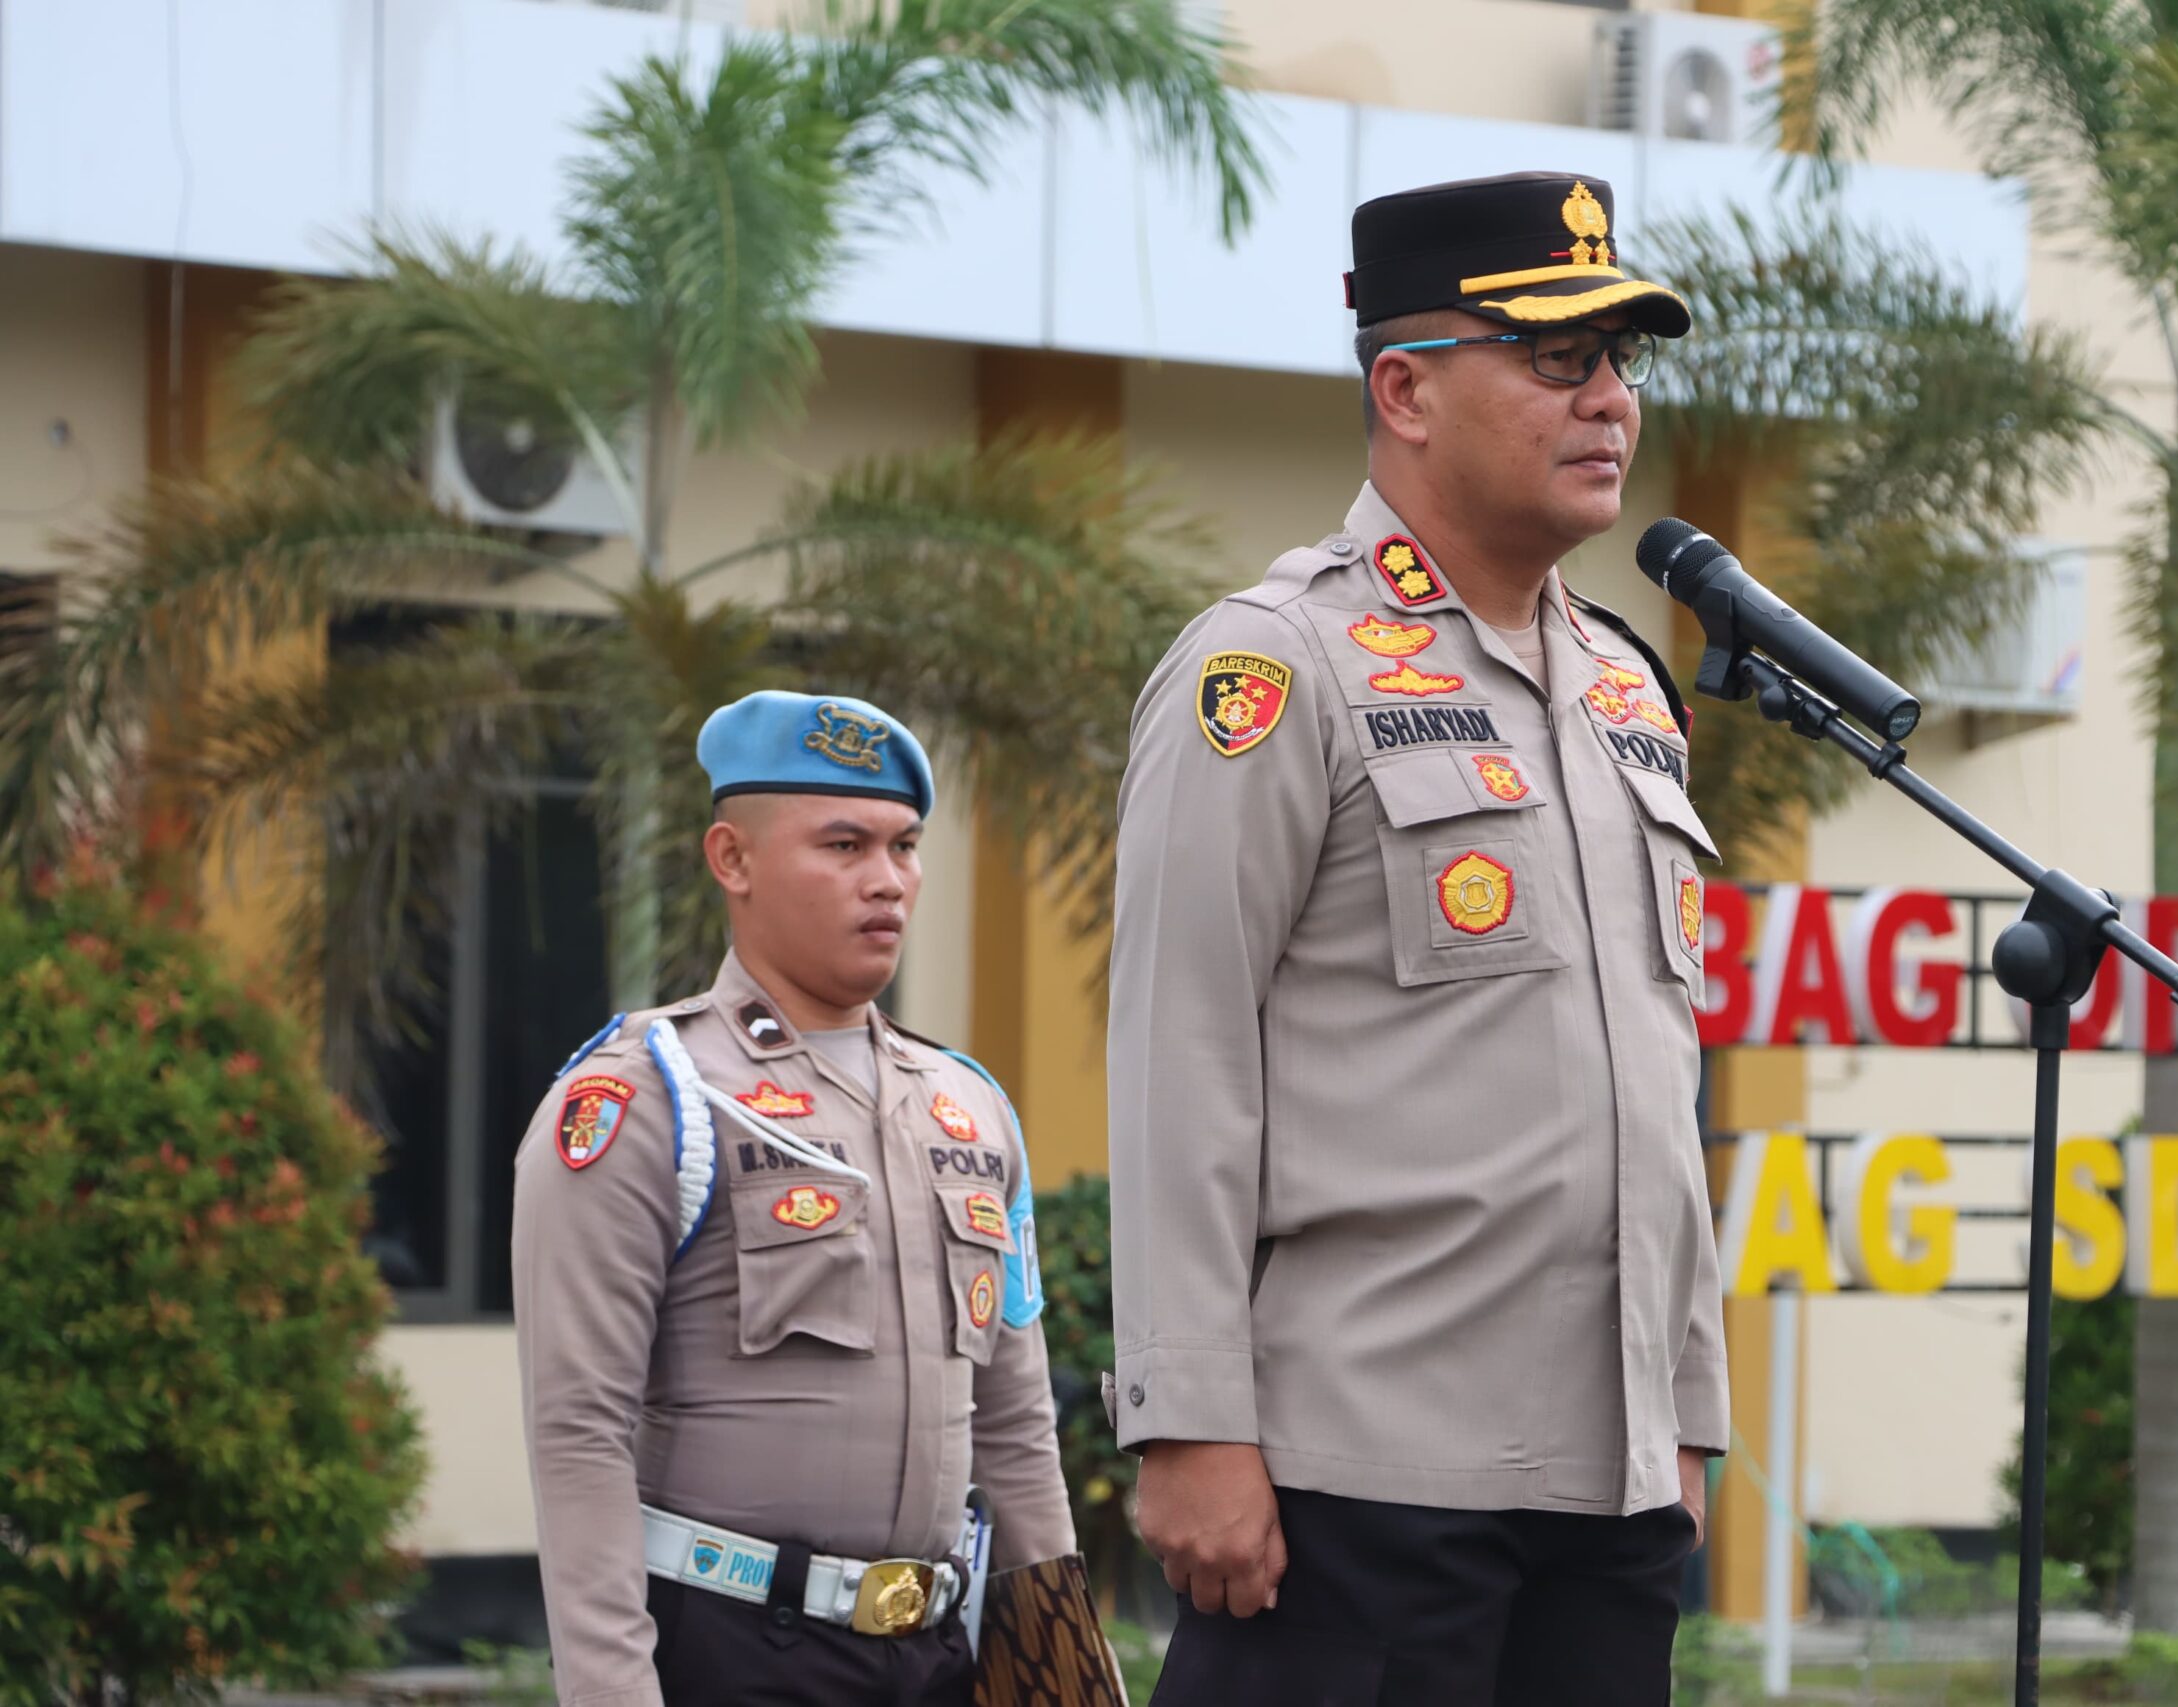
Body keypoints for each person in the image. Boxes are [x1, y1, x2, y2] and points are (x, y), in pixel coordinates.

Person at [1107, 171, 1731, 1705]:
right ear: (1405, 388)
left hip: (1610, 1493)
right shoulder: (1274, 664)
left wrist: (1689, 1410)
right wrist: (1189, 1422)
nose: (1608, 401)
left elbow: (1662, 1078)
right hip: (1358, 1481)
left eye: (1622, 362)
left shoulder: (1628, 692)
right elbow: (1179, 1051)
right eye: (1555, 358)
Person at [513, 690, 1075, 1706]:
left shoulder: (967, 1108)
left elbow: (1017, 1427)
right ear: (731, 859)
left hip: (936, 1655)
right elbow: (578, 1430)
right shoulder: (648, 1094)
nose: (888, 883)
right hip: (732, 1651)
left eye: (904, 847)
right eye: (844, 845)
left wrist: (1066, 1679)